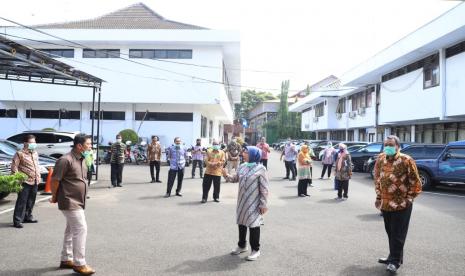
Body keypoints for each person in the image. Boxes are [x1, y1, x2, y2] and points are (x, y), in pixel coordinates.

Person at [374, 135, 422, 273]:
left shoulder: (406, 160)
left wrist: (409, 199)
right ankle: (392, 256)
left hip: (401, 204)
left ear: (397, 146)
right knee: (390, 232)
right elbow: (378, 179)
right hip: (386, 203)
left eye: (390, 144)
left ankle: (395, 262)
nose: (387, 147)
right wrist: (378, 197)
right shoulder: (381, 159)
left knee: (398, 234)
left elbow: (416, 182)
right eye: (386, 144)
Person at [50, 134, 95, 275]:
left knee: (71, 230)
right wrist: (54, 196)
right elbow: (55, 180)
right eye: (88, 144)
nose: (91, 146)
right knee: (81, 228)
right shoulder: (65, 160)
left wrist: (90, 160)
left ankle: (66, 258)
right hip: (69, 200)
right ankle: (79, 263)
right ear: (79, 146)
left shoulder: (83, 158)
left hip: (79, 200)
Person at [223, 146, 269, 261]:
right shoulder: (242, 167)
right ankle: (242, 245)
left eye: (246, 152)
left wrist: (263, 204)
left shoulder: (261, 169)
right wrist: (226, 175)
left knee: (254, 225)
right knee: (242, 223)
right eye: (244, 152)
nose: (243, 153)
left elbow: (264, 188)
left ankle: (255, 250)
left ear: (253, 155)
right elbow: (235, 179)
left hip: (254, 202)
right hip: (242, 201)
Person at [11, 134, 41, 229]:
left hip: (35, 180)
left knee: (31, 200)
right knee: (21, 201)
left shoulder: (35, 153)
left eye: (34, 142)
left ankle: (27, 217)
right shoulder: (19, 154)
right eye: (31, 142)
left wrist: (38, 176)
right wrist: (17, 179)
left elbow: (36, 165)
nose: (34, 144)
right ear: (25, 143)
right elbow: (14, 167)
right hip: (24, 181)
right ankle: (17, 220)